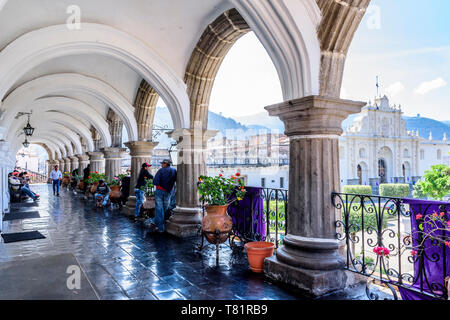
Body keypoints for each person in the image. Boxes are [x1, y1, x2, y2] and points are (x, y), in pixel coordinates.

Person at [149, 159, 177, 233]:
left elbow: (155, 182)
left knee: (159, 209)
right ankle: (154, 221)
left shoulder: (161, 170)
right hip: (168, 192)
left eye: (162, 163)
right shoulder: (174, 170)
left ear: (165, 164)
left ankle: (160, 227)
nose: (161, 165)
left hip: (160, 191)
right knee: (165, 208)